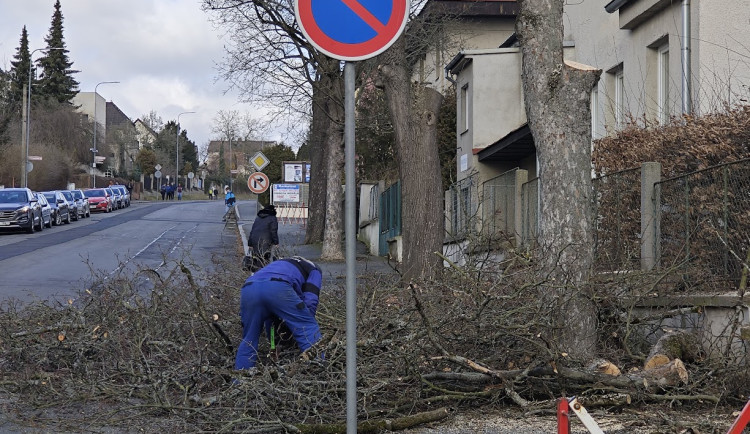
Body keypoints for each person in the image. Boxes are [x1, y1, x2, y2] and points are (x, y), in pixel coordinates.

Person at [235, 256, 323, 370]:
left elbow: (270, 316)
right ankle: (319, 369)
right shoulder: (315, 270)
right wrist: (305, 319)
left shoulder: (277, 265)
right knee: (308, 326)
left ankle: (240, 380)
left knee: (249, 339)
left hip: (249, 287)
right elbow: (310, 301)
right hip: (278, 287)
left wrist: (275, 341)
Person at [248, 204, 279, 271]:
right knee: (265, 258)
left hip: (255, 240)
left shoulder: (258, 218)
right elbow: (273, 231)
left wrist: (250, 243)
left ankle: (256, 274)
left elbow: (252, 230)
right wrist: (276, 242)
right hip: (266, 240)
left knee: (256, 258)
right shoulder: (272, 218)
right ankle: (263, 274)